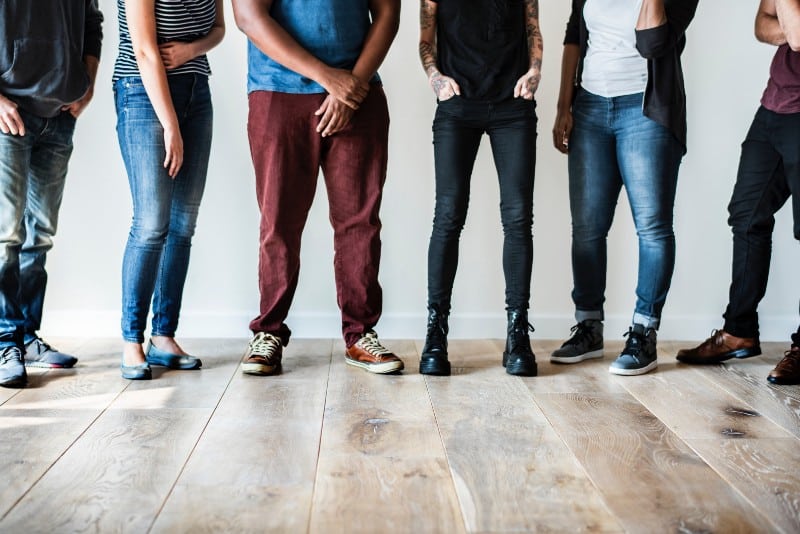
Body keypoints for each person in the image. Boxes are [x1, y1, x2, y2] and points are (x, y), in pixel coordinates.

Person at [232, 0, 403, 375]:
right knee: (279, 223)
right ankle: (268, 333)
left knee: (360, 223)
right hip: (278, 91)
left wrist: (351, 85)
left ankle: (360, 335)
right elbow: (248, 16)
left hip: (359, 95)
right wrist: (329, 78)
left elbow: (388, 14)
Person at [550, 0, 698, 376]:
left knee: (652, 227)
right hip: (590, 108)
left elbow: (652, 43)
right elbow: (574, 37)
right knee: (587, 228)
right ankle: (589, 327)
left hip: (645, 109)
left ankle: (644, 332)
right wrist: (564, 105)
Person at [417, 0, 543, 377]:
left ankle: (517, 333)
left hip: (513, 106)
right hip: (457, 107)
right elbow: (426, 39)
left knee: (518, 217)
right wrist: (436, 79)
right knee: (448, 215)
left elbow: (533, 28)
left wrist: (535, 70)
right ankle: (436, 334)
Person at [677, 0, 800, 385]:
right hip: (774, 107)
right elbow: (762, 25)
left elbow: (795, 35)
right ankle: (738, 330)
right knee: (746, 215)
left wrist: (786, 20)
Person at [114, 0, 224, 380]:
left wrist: (191, 50)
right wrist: (170, 125)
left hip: (196, 90)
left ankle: (163, 336)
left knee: (182, 224)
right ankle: (132, 341)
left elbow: (219, 29)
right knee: (151, 223)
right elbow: (145, 50)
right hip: (143, 93)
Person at [0, 0, 104, 388]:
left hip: (60, 116)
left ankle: (25, 337)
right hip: (9, 114)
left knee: (39, 234)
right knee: (6, 236)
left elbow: (93, 22)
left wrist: (88, 83)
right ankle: (4, 341)